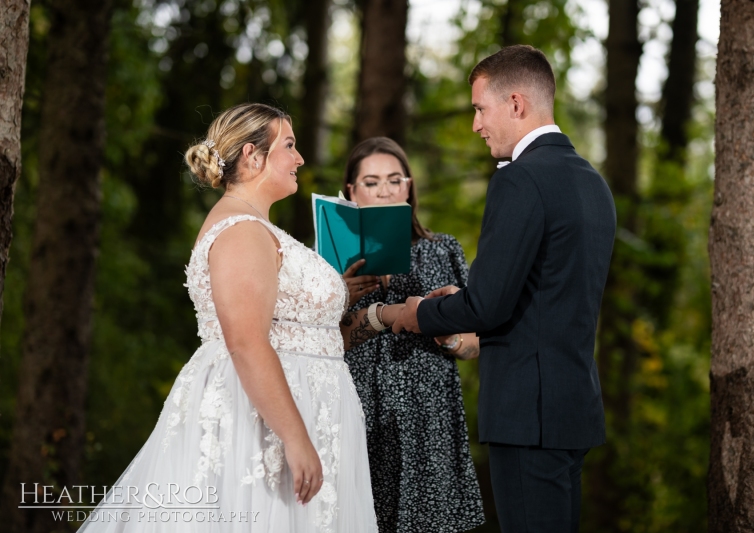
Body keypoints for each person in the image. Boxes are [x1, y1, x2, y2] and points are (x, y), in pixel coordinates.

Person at [79, 103, 405, 532]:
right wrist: (295, 437)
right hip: (262, 423)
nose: (299, 158)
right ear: (253, 155)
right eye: (289, 146)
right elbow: (246, 341)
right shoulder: (241, 231)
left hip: (306, 408)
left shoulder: (256, 225)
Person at [392, 45, 617, 532]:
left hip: (527, 412)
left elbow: (488, 305)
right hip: (572, 406)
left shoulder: (521, 179)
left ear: (516, 103)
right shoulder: (591, 181)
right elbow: (547, 293)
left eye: (479, 108)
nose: (476, 124)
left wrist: (417, 314)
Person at [338, 137, 484, 533]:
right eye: (370, 182)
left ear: (409, 186)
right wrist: (339, 293)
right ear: (350, 191)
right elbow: (323, 342)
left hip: (429, 416)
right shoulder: (328, 259)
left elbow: (475, 344)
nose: (384, 190)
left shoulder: (443, 250)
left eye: (394, 179)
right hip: (356, 414)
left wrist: (448, 335)